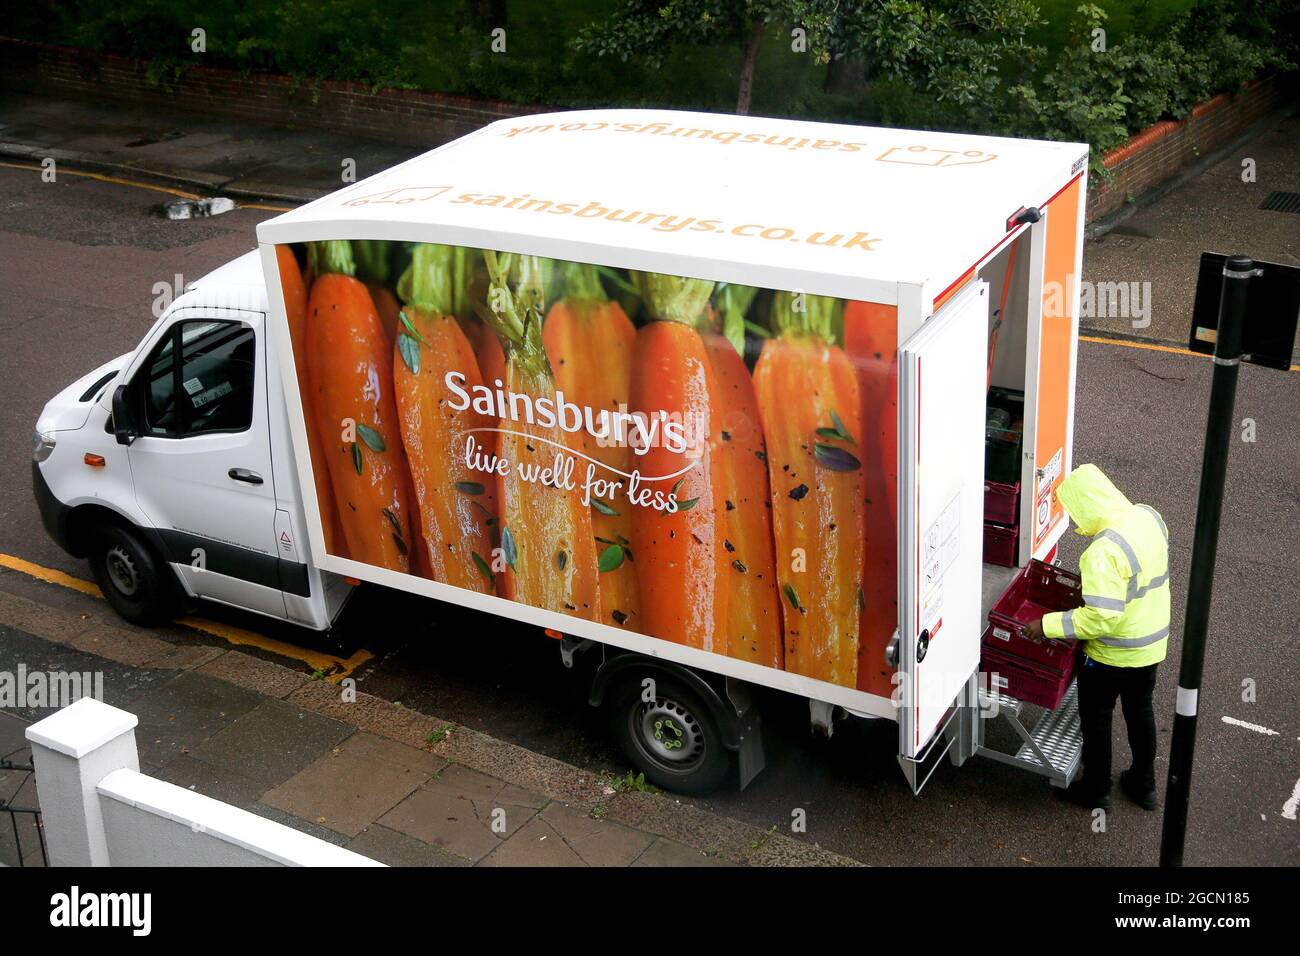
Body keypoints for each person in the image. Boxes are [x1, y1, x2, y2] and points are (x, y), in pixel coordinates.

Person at [1025, 464, 1170, 811]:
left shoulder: (1102, 552)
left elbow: (1101, 617)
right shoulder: (1148, 516)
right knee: (1140, 713)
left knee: (1097, 717)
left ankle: (1096, 788)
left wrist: (1046, 625)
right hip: (1150, 645)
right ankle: (1144, 783)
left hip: (1111, 655)